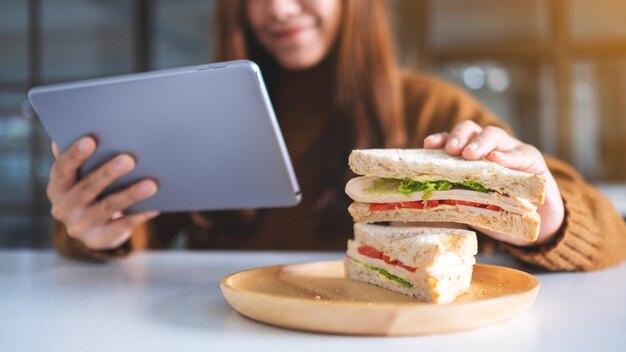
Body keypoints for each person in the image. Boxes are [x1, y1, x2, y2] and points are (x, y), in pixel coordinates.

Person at [46, 0, 626, 271]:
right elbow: (138, 235)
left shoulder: (434, 107)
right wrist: (95, 231)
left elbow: (612, 239)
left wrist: (546, 219)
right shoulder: (198, 114)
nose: (277, 9)